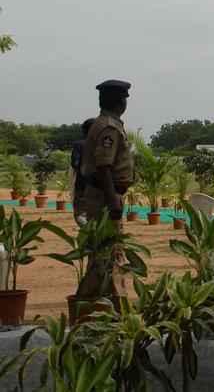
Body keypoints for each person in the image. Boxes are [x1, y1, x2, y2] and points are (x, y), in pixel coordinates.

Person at [79, 79, 134, 298]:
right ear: (119, 102)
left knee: (106, 253)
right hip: (104, 198)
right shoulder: (109, 127)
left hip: (104, 195)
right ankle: (100, 301)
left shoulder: (106, 124)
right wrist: (112, 201)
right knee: (107, 253)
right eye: (123, 99)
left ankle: (104, 299)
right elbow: (104, 166)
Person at [70, 118, 94, 224]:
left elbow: (75, 163)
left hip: (82, 185)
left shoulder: (78, 145)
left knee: (80, 215)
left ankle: (90, 231)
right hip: (101, 187)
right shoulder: (103, 145)